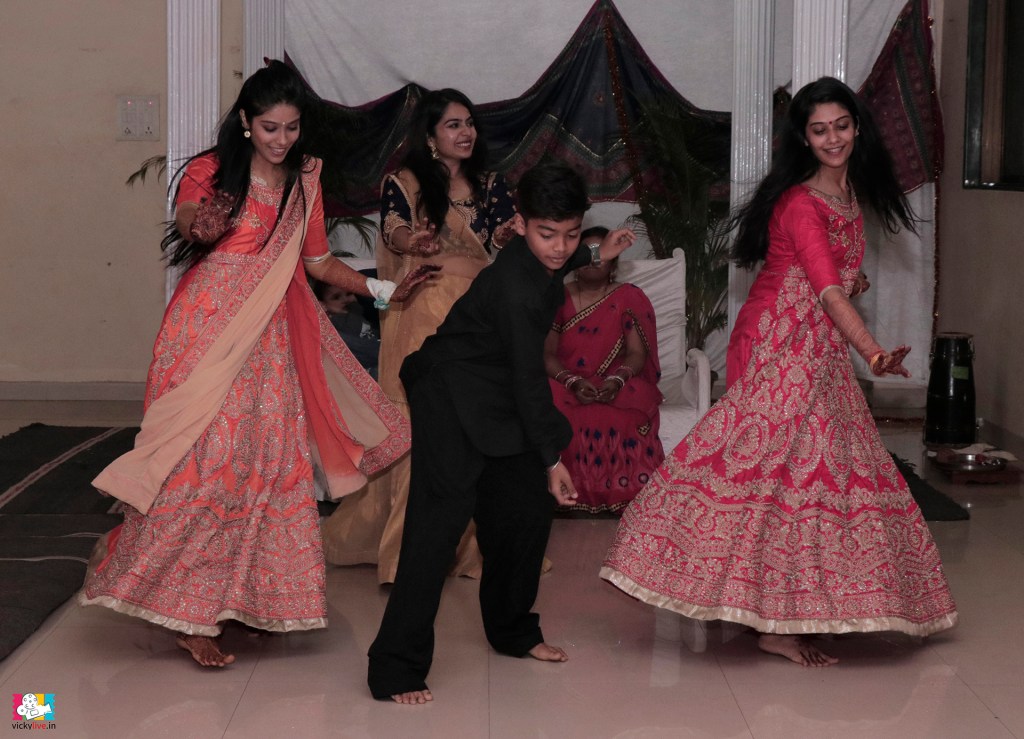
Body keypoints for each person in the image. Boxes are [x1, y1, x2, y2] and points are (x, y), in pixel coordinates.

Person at [79, 61, 436, 668]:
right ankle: (186, 611)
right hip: (206, 330)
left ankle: (247, 599)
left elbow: (318, 262)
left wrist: (384, 290)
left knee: (266, 462)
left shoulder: (305, 180)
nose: (281, 139)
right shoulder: (212, 170)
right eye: (270, 127)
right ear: (246, 121)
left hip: (271, 339)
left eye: (291, 128)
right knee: (202, 457)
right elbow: (191, 219)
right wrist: (204, 223)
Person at [601, 77, 958, 667]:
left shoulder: (848, 194)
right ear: (804, 138)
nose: (833, 138)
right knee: (768, 464)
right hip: (779, 339)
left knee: (816, 470)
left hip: (818, 341)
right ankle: (753, 608)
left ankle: (788, 604)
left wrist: (854, 284)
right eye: (819, 130)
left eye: (840, 126)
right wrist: (871, 351)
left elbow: (835, 279)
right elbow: (825, 290)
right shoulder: (800, 202)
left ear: (858, 127)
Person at [367, 162, 637, 703]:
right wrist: (552, 458)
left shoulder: (538, 257)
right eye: (547, 234)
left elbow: (555, 265)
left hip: (496, 393)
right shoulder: (514, 287)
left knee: (524, 514)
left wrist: (594, 253)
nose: (559, 248)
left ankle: (512, 631)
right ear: (521, 223)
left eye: (570, 235)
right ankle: (394, 668)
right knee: (436, 528)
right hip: (450, 393)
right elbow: (527, 379)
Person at [321, 88, 516, 583]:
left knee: (471, 426)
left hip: (478, 313)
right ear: (430, 136)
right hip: (424, 309)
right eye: (453, 124)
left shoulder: (492, 184)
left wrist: (507, 236)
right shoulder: (404, 182)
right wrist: (417, 241)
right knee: (422, 427)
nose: (466, 132)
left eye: (469, 123)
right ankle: (406, 556)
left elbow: (497, 241)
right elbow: (394, 230)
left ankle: (467, 547)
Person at [544, 226, 664, 513]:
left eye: (601, 253)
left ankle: (629, 493)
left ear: (614, 263)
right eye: (587, 252)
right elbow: (546, 354)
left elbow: (637, 354)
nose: (594, 259)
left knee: (634, 402)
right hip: (568, 383)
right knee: (549, 398)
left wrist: (617, 380)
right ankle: (565, 491)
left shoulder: (629, 296)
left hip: (615, 381)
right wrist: (572, 381)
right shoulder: (557, 296)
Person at [312, 277, 381, 378]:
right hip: (366, 367)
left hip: (377, 354)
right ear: (322, 303)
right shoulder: (333, 323)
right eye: (336, 297)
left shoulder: (355, 311)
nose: (345, 300)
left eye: (348, 294)